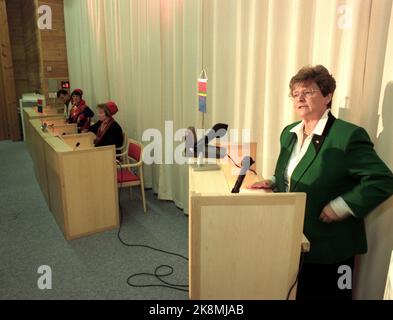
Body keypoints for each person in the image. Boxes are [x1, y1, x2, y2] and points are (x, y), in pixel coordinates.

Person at [249, 65, 393, 300]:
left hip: (333, 248)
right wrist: (274, 181)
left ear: (328, 96)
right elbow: (291, 172)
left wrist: (341, 206)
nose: (300, 98)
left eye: (308, 92)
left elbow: (382, 181)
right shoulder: (289, 133)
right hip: (295, 239)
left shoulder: (347, 136)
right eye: (295, 94)